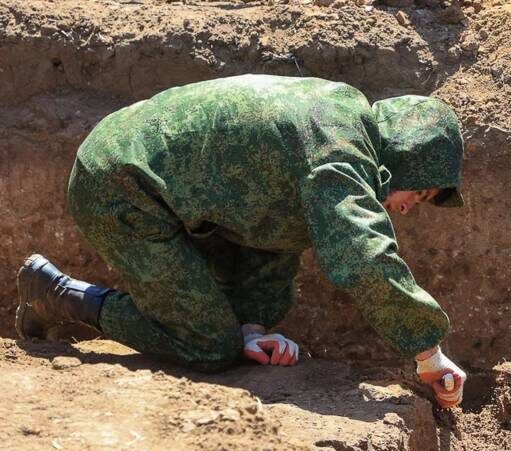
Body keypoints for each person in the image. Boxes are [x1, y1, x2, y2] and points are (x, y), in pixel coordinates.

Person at [16, 74, 466, 408]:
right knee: (210, 346)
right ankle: (56, 296)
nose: (407, 208)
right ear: (405, 158)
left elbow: (270, 230)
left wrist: (253, 328)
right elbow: (364, 256)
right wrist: (429, 354)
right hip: (121, 187)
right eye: (419, 193)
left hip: (146, 173)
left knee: (233, 338)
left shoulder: (340, 121)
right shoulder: (339, 154)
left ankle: (222, 328)